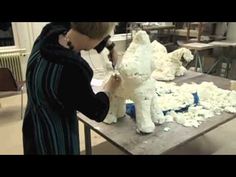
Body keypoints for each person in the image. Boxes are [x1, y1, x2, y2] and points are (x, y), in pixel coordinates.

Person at [22, 22, 121, 155]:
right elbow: (97, 110)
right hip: (54, 134)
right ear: (93, 39)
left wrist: (111, 47)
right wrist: (109, 88)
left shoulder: (50, 31)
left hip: (33, 117)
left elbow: (90, 28)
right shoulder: (71, 68)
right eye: (102, 38)